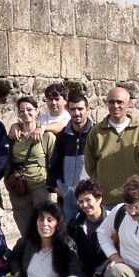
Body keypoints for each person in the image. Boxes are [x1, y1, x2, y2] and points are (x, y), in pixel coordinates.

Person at [84, 85, 139, 207]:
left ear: (128, 104)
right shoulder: (96, 132)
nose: (115, 106)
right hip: (105, 201)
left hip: (133, 201)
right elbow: (90, 165)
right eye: (111, 102)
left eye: (120, 102)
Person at [3, 96, 56, 236]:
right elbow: (8, 160)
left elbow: (53, 163)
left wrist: (53, 186)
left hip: (40, 187)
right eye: (21, 110)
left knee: (45, 226)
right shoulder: (14, 136)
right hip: (19, 188)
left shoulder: (47, 137)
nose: (25, 113)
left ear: (37, 111)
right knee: (25, 228)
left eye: (29, 109)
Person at [47, 90, 93, 222]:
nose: (76, 113)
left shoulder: (95, 135)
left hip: (89, 199)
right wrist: (56, 187)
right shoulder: (62, 136)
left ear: (87, 109)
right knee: (66, 231)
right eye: (73, 109)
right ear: (68, 110)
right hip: (65, 199)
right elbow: (54, 165)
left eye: (80, 109)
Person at [66, 179, 109, 277]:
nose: (85, 205)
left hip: (106, 275)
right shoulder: (74, 223)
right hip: (83, 276)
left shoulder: (112, 221)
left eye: (88, 200)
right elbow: (71, 254)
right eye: (80, 201)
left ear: (99, 199)